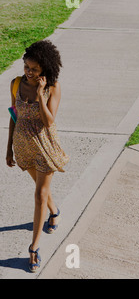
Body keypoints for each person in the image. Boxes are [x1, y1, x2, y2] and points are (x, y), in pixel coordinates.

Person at [6, 40, 69, 273]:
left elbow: (49, 120)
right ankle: (55, 213)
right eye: (26, 67)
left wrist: (41, 97)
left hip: (44, 146)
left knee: (39, 194)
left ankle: (34, 249)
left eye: (34, 69)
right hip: (23, 146)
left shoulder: (53, 87)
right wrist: (8, 147)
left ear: (45, 68)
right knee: (41, 190)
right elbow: (14, 115)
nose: (29, 72)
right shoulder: (15, 84)